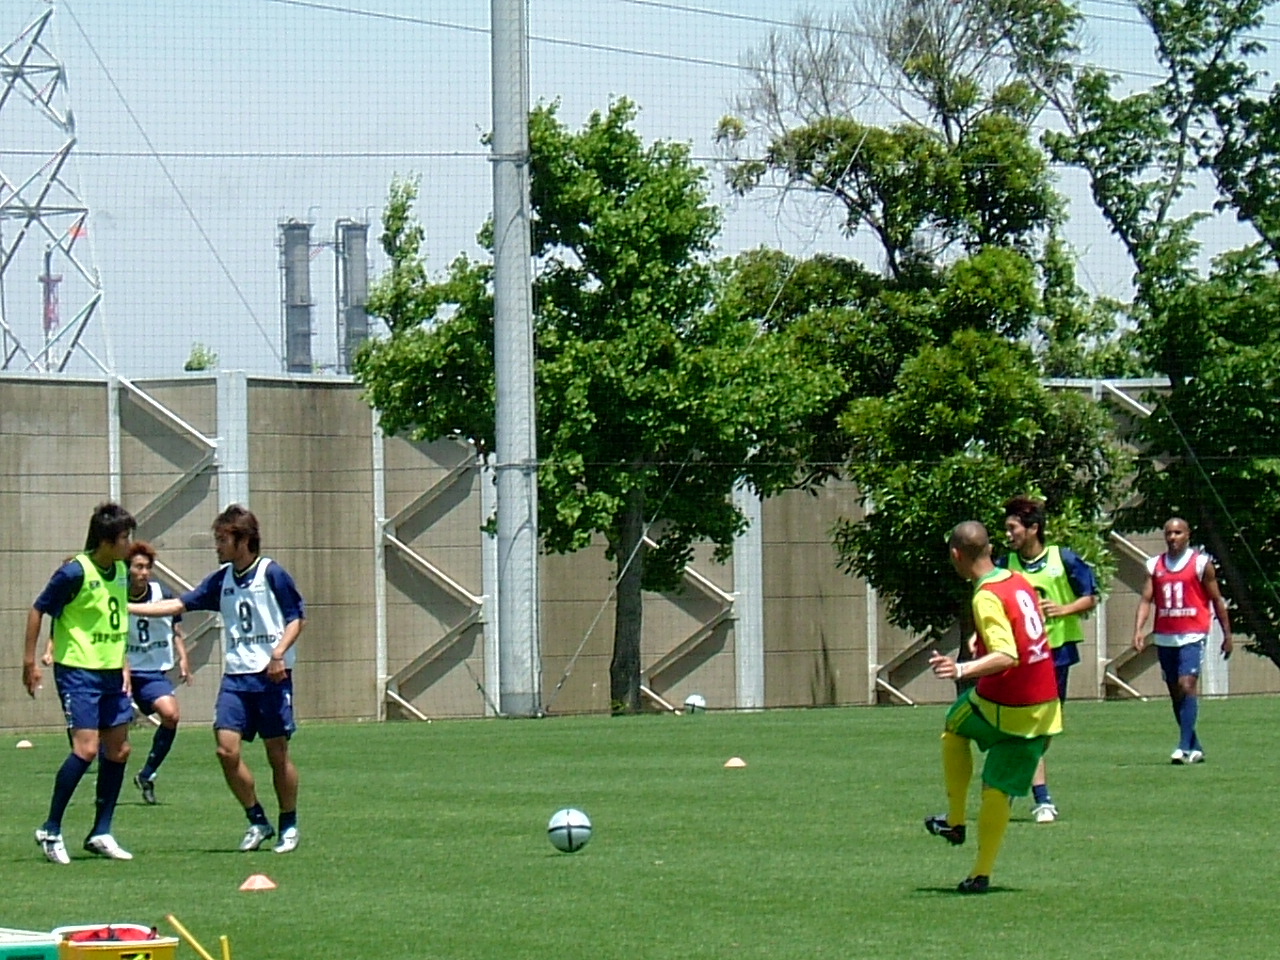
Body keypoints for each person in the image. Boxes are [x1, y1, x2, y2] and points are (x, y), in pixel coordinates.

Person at [129, 504, 305, 853]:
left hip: (271, 677)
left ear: (243, 540)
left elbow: (296, 618)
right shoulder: (221, 580)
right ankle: (257, 820)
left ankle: (288, 824)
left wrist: (278, 653)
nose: (217, 547)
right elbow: (178, 605)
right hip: (236, 679)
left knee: (277, 754)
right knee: (226, 750)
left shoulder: (271, 573)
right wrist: (127, 608)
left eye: (222, 540)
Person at [925, 521, 1063, 894]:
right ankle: (980, 873)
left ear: (956, 555)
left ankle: (955, 821)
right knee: (996, 787)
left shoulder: (985, 596)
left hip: (1006, 702)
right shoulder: (1016, 579)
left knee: (954, 725)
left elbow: (1007, 655)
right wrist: (981, 638)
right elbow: (1025, 629)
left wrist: (960, 668)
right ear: (989, 548)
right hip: (1044, 704)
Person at [22, 502, 138, 864]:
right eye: (124, 537)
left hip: (110, 672)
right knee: (86, 750)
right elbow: (38, 609)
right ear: (105, 540)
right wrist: (30, 661)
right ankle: (51, 828)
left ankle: (101, 831)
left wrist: (123, 664)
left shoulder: (120, 570)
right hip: (78, 672)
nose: (129, 544)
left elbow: (114, 621)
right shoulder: (74, 572)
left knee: (118, 750)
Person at [999, 496, 1097, 824]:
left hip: (1058, 653)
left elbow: (1090, 597)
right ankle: (1042, 799)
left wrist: (1064, 609)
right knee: (1032, 726)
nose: (1008, 534)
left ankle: (1013, 781)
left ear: (1033, 529)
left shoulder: (1062, 559)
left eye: (1013, 528)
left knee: (1046, 729)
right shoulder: (1005, 564)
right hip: (1023, 656)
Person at [1132, 516, 1233, 764]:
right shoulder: (1155, 565)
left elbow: (1216, 600)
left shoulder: (1200, 564)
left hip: (1192, 634)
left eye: (1178, 532)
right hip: (1165, 635)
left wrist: (1227, 634)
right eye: (1168, 533)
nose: (1172, 537)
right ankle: (1194, 746)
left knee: (1187, 685)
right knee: (1176, 693)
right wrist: (1138, 630)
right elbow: (1146, 600)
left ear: (1188, 535)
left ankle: (1183, 747)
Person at [124, 541, 191, 804]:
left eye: (147, 567)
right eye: (138, 567)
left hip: (151, 672)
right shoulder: (115, 594)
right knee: (113, 733)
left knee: (171, 715)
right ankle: (105, 790)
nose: (143, 572)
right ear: (127, 568)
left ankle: (147, 774)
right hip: (119, 671)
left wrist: (183, 658)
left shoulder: (161, 593)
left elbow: (175, 627)